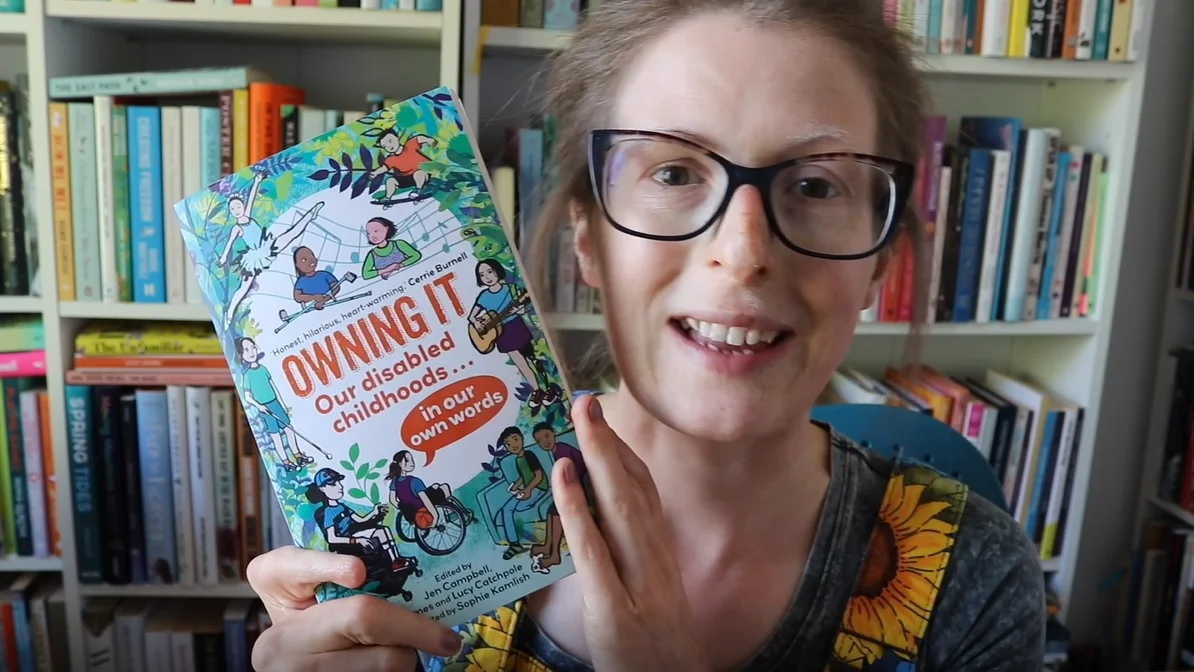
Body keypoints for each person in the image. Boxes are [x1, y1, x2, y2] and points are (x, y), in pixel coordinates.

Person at [245, 1, 1046, 670]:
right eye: (673, 173)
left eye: (813, 184)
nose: (743, 253)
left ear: (879, 262)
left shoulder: (971, 580)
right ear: (588, 239)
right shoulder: (399, 547)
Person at [469, 258, 561, 411]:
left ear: (497, 271)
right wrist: (476, 322)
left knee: (532, 358)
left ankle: (549, 389)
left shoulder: (510, 289)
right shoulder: (483, 297)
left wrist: (519, 310)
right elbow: (471, 317)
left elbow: (523, 308)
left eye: (489, 272)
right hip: (501, 334)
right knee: (521, 364)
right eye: (482, 275)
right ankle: (537, 391)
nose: (487, 277)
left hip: (515, 326)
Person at [305, 468, 413, 572]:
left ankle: (396, 560)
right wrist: (357, 540)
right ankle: (393, 561)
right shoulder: (329, 512)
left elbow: (360, 520)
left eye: (339, 482)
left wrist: (374, 512)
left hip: (354, 533)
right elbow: (332, 538)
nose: (340, 486)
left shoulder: (342, 507)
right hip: (346, 540)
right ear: (322, 488)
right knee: (379, 533)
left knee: (382, 531)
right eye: (333, 484)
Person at [236, 336, 312, 471]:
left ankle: (298, 456)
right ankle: (287, 463)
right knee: (276, 436)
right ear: (241, 355)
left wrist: (282, 404)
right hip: (264, 408)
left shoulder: (263, 369)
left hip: (275, 403)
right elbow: (247, 396)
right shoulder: (247, 375)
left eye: (253, 348)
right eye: (246, 350)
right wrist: (259, 406)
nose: (251, 352)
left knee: (289, 429)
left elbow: (274, 387)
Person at [528, 422, 587, 573]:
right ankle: (548, 546)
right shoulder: (553, 453)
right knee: (551, 510)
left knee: (555, 510)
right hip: (572, 486)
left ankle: (554, 554)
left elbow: (580, 467)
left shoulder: (563, 449)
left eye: (547, 436)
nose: (545, 442)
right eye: (540, 441)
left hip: (582, 485)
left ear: (553, 433)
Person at [494, 426, 551, 561]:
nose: (513, 445)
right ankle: (515, 544)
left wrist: (528, 490)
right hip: (529, 488)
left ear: (522, 438)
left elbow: (538, 476)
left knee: (509, 509)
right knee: (506, 509)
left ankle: (515, 544)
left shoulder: (529, 455)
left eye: (515, 439)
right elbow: (523, 476)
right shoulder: (518, 459)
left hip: (539, 488)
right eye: (508, 444)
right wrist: (516, 486)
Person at [386, 449, 453, 528]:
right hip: (422, 504)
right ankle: (451, 511)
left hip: (412, 507)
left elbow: (393, 500)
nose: (412, 463)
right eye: (407, 460)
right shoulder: (414, 481)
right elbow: (425, 500)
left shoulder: (394, 482)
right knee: (444, 487)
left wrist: (404, 508)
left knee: (435, 485)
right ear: (400, 464)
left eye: (412, 460)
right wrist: (435, 516)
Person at [361, 216, 423, 280]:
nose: (372, 235)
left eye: (376, 231)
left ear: (386, 228)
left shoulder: (399, 244)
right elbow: (366, 275)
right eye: (369, 233)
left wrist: (400, 265)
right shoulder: (372, 254)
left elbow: (416, 255)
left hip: (412, 277)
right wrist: (387, 269)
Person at [291, 246, 341, 310]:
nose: (310, 260)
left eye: (311, 255)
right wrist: (313, 297)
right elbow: (297, 297)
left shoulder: (324, 275)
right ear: (297, 265)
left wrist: (323, 301)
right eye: (304, 259)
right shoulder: (301, 282)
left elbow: (336, 287)